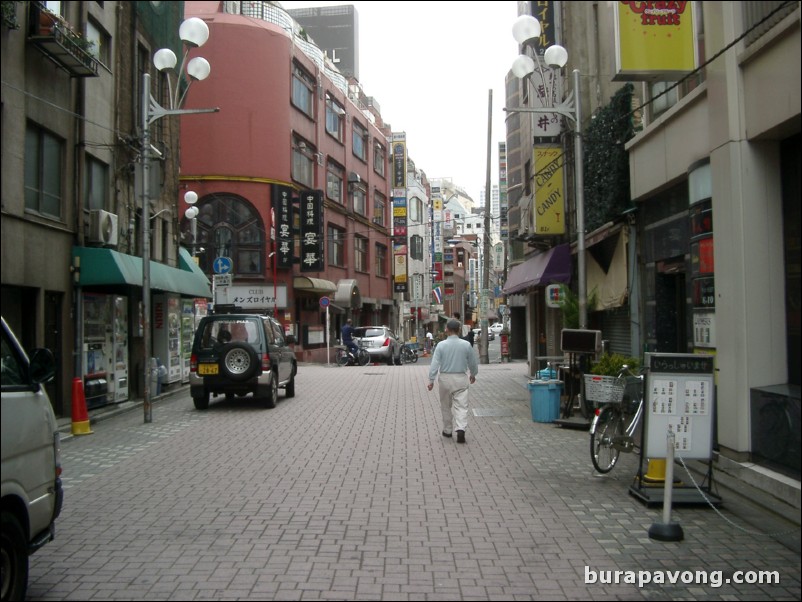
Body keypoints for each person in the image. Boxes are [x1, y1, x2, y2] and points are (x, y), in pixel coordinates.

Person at [427, 318, 478, 444]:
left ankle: (448, 430)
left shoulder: (441, 345)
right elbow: (472, 362)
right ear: (459, 330)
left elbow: (435, 364)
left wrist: (431, 379)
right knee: (461, 406)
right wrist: (473, 374)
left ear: (447, 330)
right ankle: (461, 428)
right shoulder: (466, 345)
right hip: (461, 378)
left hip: (445, 379)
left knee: (446, 406)